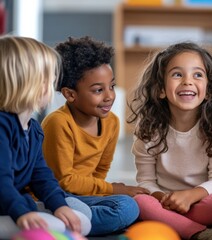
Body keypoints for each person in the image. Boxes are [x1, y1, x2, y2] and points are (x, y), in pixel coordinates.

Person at [127, 41, 212, 240]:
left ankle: (178, 224)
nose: (188, 81)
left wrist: (190, 196)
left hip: (200, 201)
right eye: (177, 74)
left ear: (209, 90)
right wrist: (165, 199)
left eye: (197, 74)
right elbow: (145, 181)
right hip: (164, 203)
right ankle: (199, 233)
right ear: (161, 89)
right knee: (141, 202)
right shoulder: (148, 131)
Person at [41, 36, 149, 236]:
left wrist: (108, 191)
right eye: (98, 90)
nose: (109, 96)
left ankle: (76, 221)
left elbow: (100, 170)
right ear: (70, 94)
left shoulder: (112, 122)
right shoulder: (58, 123)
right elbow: (64, 180)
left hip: (82, 196)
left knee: (130, 205)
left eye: (112, 86)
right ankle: (66, 221)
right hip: (54, 195)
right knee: (125, 207)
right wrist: (112, 189)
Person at [0, 35, 91, 238]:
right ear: (29, 83)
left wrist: (59, 206)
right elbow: (1, 180)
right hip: (8, 203)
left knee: (81, 215)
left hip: (10, 205)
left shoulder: (33, 129)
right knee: (66, 223)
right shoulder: (2, 126)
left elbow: (41, 175)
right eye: (49, 81)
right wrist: (22, 212)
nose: (51, 87)